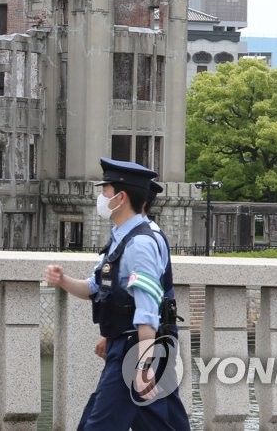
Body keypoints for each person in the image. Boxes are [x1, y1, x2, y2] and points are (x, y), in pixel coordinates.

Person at [44, 158, 188, 430]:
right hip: (132, 345)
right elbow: (96, 288)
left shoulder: (140, 244)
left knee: (98, 424)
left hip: (136, 349)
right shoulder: (123, 237)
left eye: (105, 191)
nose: (101, 197)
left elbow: (146, 313)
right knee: (161, 422)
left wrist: (144, 367)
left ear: (121, 198)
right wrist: (63, 280)